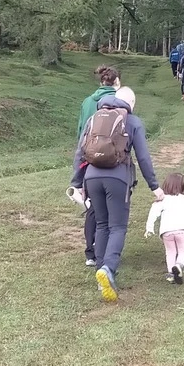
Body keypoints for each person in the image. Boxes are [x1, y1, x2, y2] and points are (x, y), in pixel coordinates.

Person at [73, 86, 164, 302]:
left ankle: (101, 272)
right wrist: (154, 185)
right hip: (117, 178)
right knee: (118, 227)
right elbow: (143, 157)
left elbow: (80, 151)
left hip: (92, 177)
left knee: (102, 224)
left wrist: (76, 182)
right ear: (131, 103)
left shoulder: (95, 118)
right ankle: (109, 268)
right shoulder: (132, 121)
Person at [76, 66, 121, 267]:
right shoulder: (119, 101)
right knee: (111, 208)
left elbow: (80, 130)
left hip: (88, 159)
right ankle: (106, 251)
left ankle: (90, 251)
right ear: (116, 81)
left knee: (93, 207)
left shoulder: (87, 101)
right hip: (112, 161)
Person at [145, 172, 184, 284]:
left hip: (166, 232)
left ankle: (171, 274)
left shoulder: (162, 199)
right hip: (181, 230)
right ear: (182, 186)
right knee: (183, 251)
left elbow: (153, 213)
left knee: (170, 252)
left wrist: (149, 228)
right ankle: (178, 266)